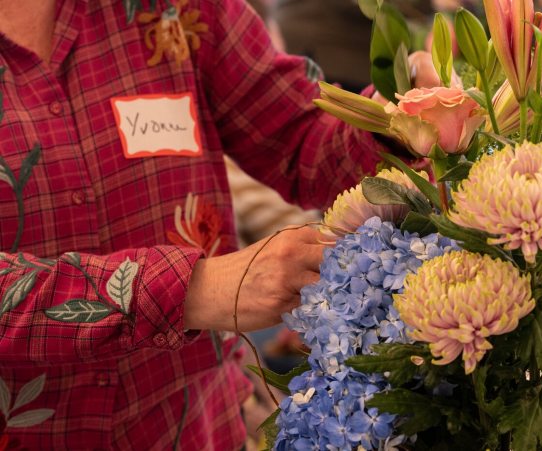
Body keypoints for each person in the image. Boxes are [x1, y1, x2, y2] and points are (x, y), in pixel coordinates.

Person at [0, 0, 438, 448]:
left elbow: (299, 140)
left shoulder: (177, 9)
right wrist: (196, 290)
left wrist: (392, 121)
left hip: (196, 425)